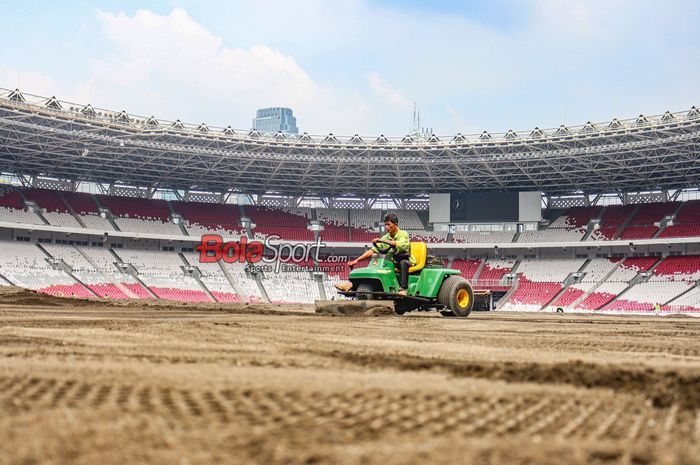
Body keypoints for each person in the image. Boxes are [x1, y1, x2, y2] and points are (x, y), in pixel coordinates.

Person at [334, 213, 415, 295]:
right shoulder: (385, 237)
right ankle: (351, 285)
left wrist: (382, 241)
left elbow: (400, 244)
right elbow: (372, 251)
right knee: (375, 262)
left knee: (403, 263)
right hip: (391, 261)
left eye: (389, 224)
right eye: (385, 225)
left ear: (396, 224)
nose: (386, 227)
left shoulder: (403, 234)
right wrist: (356, 260)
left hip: (404, 259)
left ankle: (403, 289)